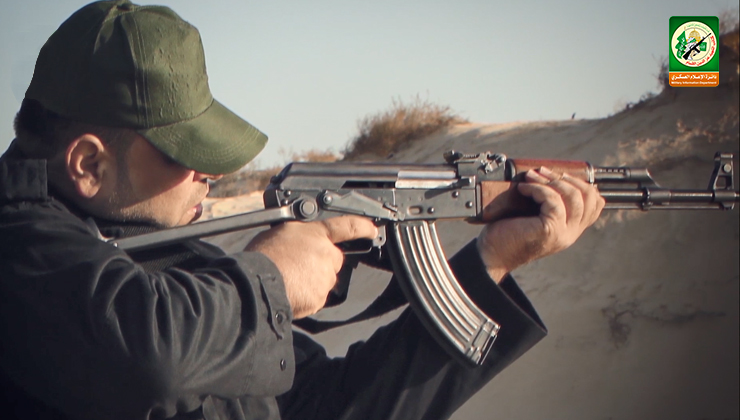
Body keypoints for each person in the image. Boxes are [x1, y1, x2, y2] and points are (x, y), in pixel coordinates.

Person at [0, 1, 605, 419]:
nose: (211, 173)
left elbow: (330, 407)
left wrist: (489, 264)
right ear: (89, 164)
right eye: (185, 154)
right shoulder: (21, 254)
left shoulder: (164, 263)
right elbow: (148, 357)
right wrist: (271, 279)